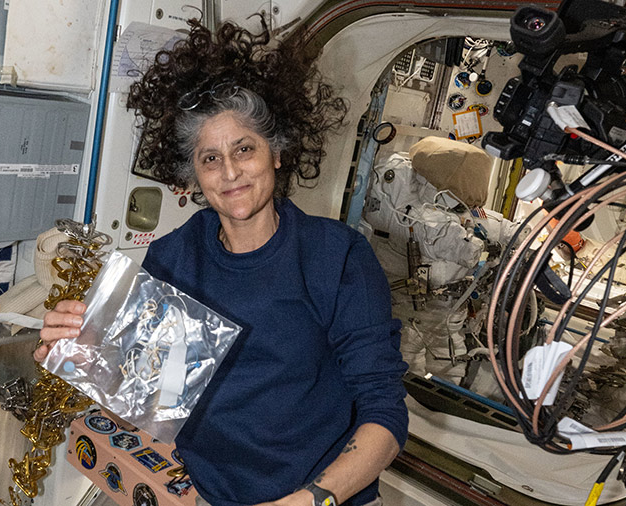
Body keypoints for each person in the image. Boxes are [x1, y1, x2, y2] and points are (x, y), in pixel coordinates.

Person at [35, 18, 408, 506]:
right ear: (191, 173)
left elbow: (385, 411)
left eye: (244, 149)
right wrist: (71, 353)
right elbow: (154, 394)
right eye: (210, 159)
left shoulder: (335, 258)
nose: (230, 172)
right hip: (208, 493)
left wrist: (314, 498)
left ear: (277, 151)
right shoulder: (172, 259)